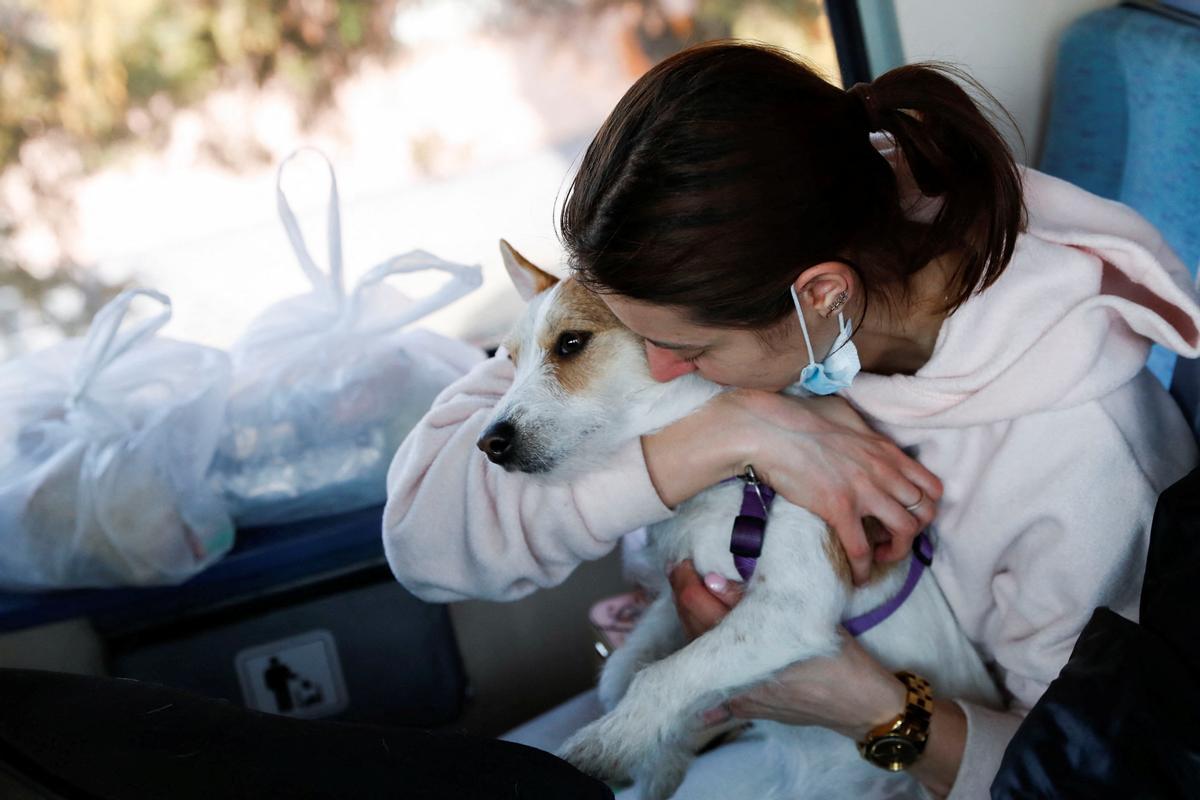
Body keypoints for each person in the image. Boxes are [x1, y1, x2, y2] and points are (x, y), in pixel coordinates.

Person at [383, 42, 1200, 798]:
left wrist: (861, 706)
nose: (663, 373)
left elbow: (1090, 779)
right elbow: (426, 540)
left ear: (820, 296)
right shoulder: (742, 261)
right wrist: (740, 427)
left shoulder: (1085, 464)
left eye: (687, 351)